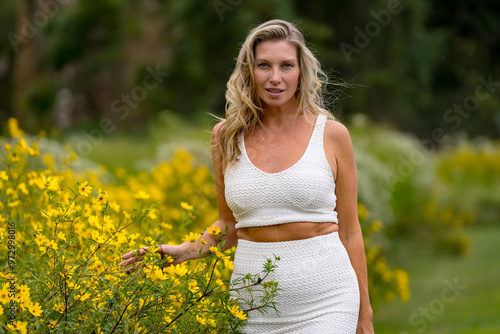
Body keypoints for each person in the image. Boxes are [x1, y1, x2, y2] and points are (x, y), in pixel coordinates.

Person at [120, 19, 374, 333]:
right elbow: (229, 224)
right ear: (248, 72)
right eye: (264, 65)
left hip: (328, 299)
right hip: (253, 305)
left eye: (287, 66)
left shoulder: (333, 135)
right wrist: (184, 251)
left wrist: (365, 317)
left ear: (301, 72)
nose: (276, 78)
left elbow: (350, 231)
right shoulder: (226, 137)